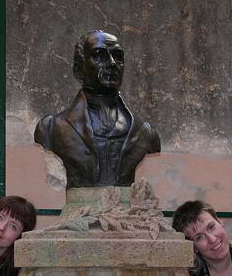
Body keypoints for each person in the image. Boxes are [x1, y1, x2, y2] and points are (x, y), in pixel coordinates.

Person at [34, 30, 160, 188]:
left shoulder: (145, 133)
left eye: (118, 56)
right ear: (79, 70)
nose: (112, 63)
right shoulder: (51, 129)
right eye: (99, 55)